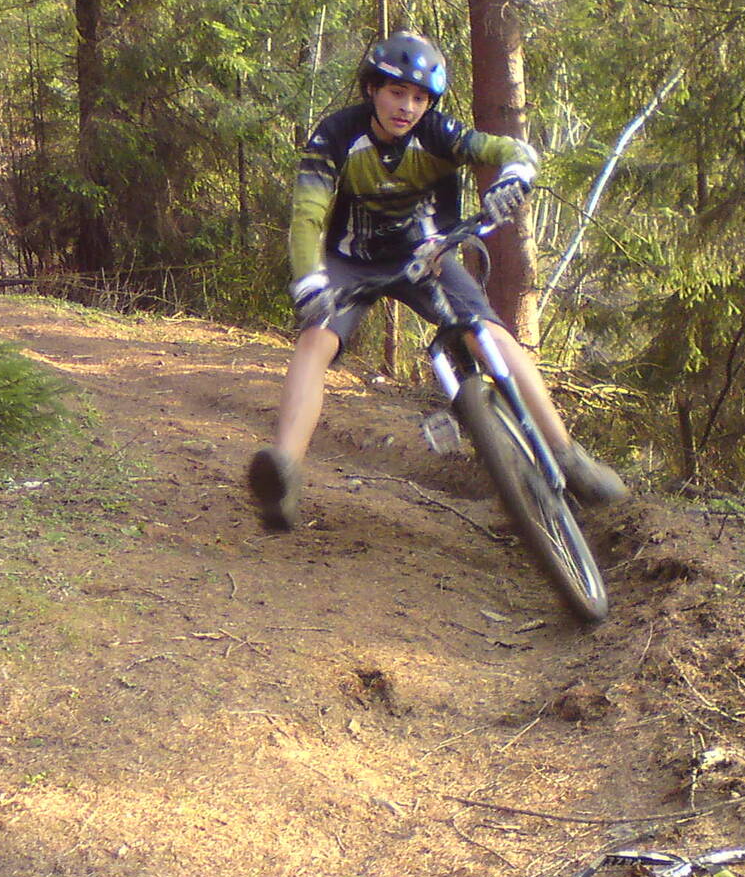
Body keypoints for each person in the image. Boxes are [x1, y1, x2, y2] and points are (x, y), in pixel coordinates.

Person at [247, 30, 626, 531]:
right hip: (352, 261)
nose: (407, 107)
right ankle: (284, 472)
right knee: (316, 339)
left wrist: (515, 174)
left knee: (488, 334)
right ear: (372, 89)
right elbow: (307, 214)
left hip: (428, 254)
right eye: (396, 92)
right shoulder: (337, 134)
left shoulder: (439, 132)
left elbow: (507, 149)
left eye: (420, 98)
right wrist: (309, 280)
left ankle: (569, 457)